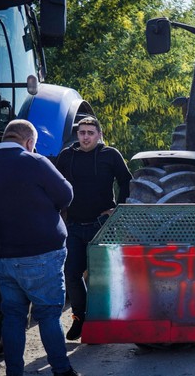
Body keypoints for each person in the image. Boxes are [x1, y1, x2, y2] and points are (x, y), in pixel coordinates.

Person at [0, 119, 79, 376]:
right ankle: (62, 370)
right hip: (40, 256)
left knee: (13, 316)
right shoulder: (35, 163)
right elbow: (66, 196)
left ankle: (14, 372)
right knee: (49, 315)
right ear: (29, 142)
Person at [55, 116, 132, 341]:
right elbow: (56, 184)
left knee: (101, 277)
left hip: (102, 225)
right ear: (77, 135)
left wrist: (118, 209)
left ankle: (102, 323)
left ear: (99, 134)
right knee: (71, 273)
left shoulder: (110, 155)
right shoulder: (67, 156)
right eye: (82, 132)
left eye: (90, 132)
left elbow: (126, 181)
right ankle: (80, 317)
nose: (86, 136)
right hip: (73, 225)